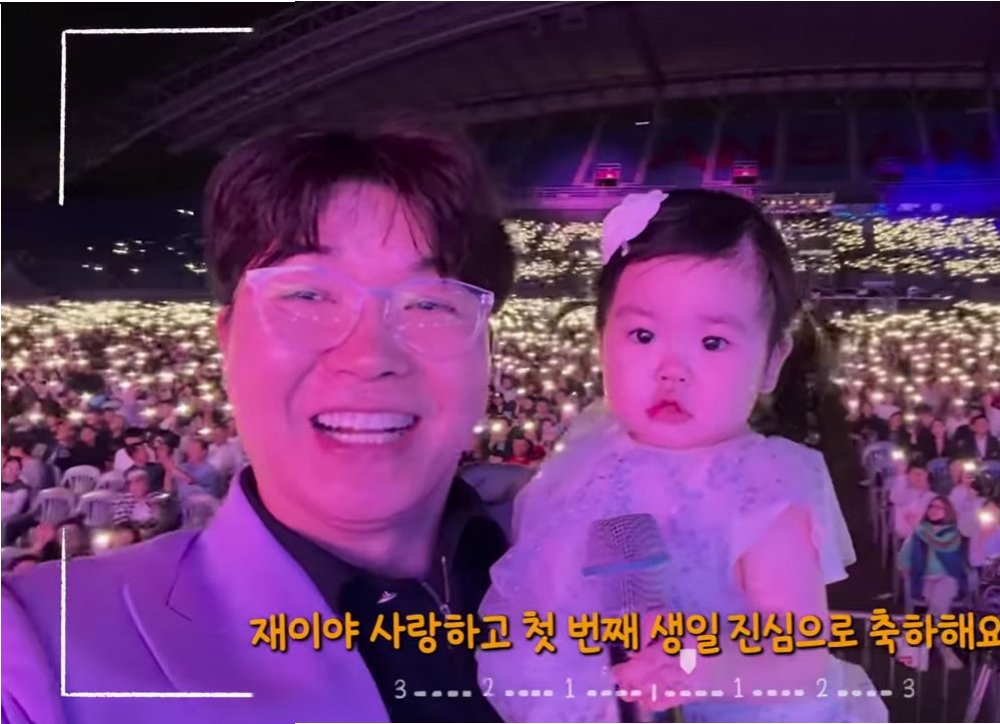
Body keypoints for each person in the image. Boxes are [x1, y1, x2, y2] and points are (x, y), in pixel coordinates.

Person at [3, 121, 516, 723]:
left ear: (487, 353)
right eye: (308, 296)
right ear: (227, 342)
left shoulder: (589, 559)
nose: (369, 356)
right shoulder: (40, 649)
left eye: (430, 302)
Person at [478, 189, 885, 722]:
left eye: (712, 343)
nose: (672, 369)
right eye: (643, 335)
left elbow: (800, 656)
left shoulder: (759, 485)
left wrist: (696, 668)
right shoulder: (588, 459)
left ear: (771, 360)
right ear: (601, 341)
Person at [898, 495, 968, 670]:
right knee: (937, 613)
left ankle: (918, 640)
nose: (934, 510)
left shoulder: (952, 534)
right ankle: (942, 645)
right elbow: (905, 555)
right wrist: (906, 570)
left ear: (947, 511)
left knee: (937, 607)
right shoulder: (919, 532)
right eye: (931, 506)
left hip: (947, 577)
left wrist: (917, 528)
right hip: (925, 579)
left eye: (939, 507)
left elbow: (940, 544)